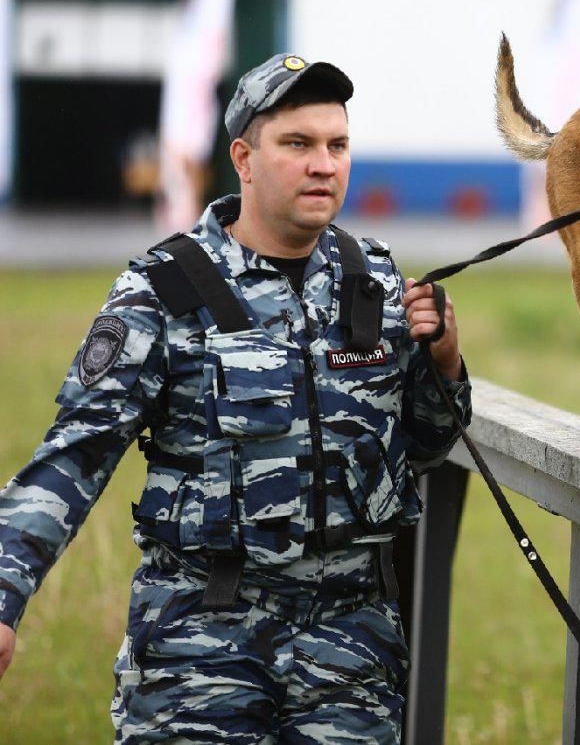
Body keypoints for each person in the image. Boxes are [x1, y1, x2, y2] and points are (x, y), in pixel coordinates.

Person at [0, 53, 471, 742]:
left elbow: (426, 443)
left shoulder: (371, 278)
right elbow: (75, 455)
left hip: (350, 645)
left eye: (337, 145)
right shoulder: (164, 290)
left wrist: (445, 362)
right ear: (244, 159)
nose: (324, 165)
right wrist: (6, 593)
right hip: (201, 640)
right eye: (298, 145)